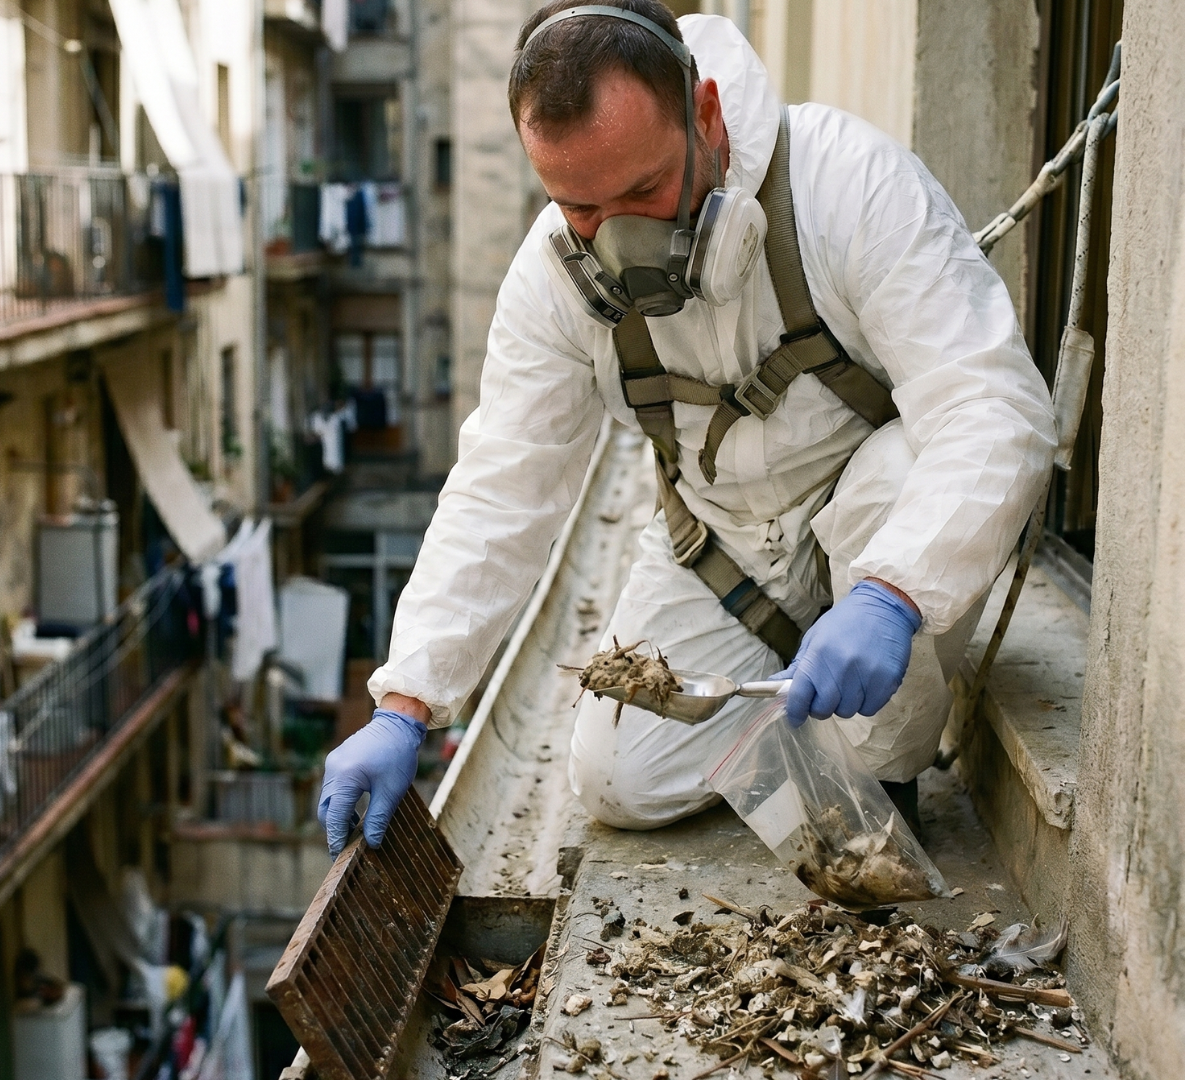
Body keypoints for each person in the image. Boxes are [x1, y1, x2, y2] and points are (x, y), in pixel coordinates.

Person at [317, 0, 1056, 856]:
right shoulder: (551, 279)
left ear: (704, 114)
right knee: (615, 778)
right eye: (582, 209)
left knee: (898, 484)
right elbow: (505, 479)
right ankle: (805, 712)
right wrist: (406, 701)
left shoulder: (846, 184)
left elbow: (993, 402)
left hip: (871, 523)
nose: (620, 239)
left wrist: (896, 593)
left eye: (642, 190)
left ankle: (881, 769)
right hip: (724, 547)